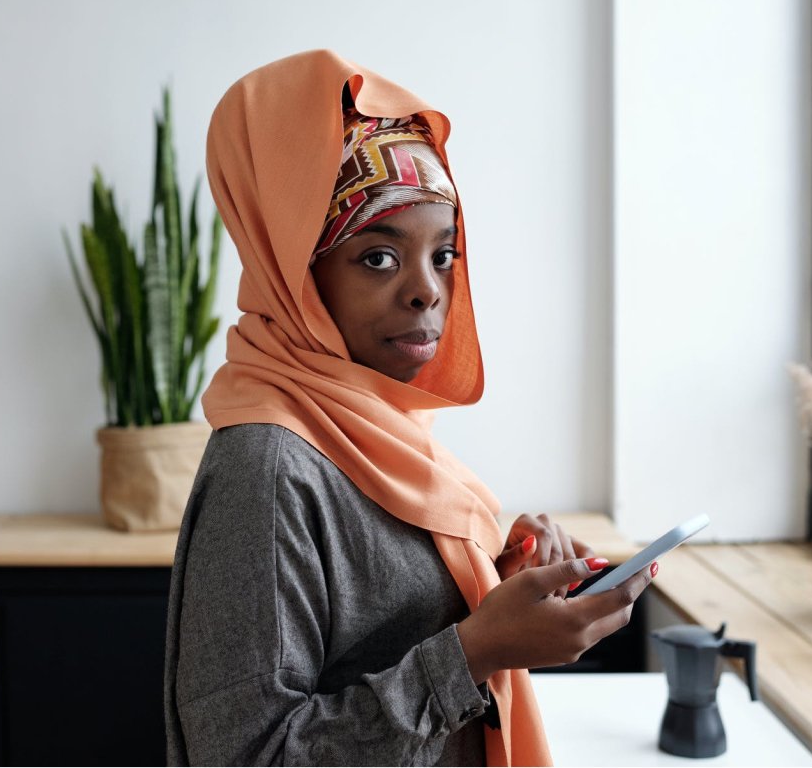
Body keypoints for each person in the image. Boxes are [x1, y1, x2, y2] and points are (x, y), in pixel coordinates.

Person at [163, 49, 655, 767]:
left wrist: (502, 577)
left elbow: (390, 624)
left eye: (444, 255)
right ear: (296, 277)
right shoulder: (267, 470)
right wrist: (478, 650)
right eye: (379, 258)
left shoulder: (378, 426)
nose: (427, 292)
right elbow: (245, 757)